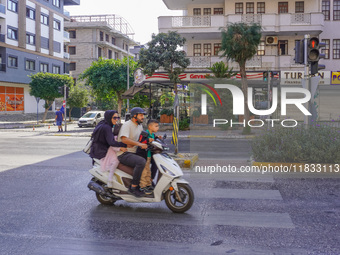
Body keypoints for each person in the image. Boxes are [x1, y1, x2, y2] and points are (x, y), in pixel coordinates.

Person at [90, 110, 127, 187]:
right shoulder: (107, 127)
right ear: (109, 117)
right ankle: (110, 179)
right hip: (101, 151)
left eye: (118, 117)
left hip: (95, 149)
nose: (116, 119)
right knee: (116, 160)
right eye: (114, 118)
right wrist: (124, 144)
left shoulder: (102, 123)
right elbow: (112, 142)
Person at [117, 107, 148, 197]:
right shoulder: (127, 125)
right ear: (134, 116)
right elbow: (124, 139)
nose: (143, 117)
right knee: (141, 161)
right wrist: (138, 144)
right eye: (141, 115)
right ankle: (133, 187)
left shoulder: (139, 126)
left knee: (151, 158)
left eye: (143, 115)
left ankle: (147, 184)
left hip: (133, 152)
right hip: (124, 153)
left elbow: (143, 137)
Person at [136, 119, 161, 195]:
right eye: (156, 126)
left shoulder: (152, 134)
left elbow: (153, 140)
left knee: (148, 171)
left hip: (149, 156)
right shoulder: (144, 133)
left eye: (158, 126)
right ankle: (142, 186)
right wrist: (147, 140)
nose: (158, 128)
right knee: (144, 171)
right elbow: (140, 142)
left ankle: (148, 184)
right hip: (143, 156)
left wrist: (157, 138)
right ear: (150, 127)